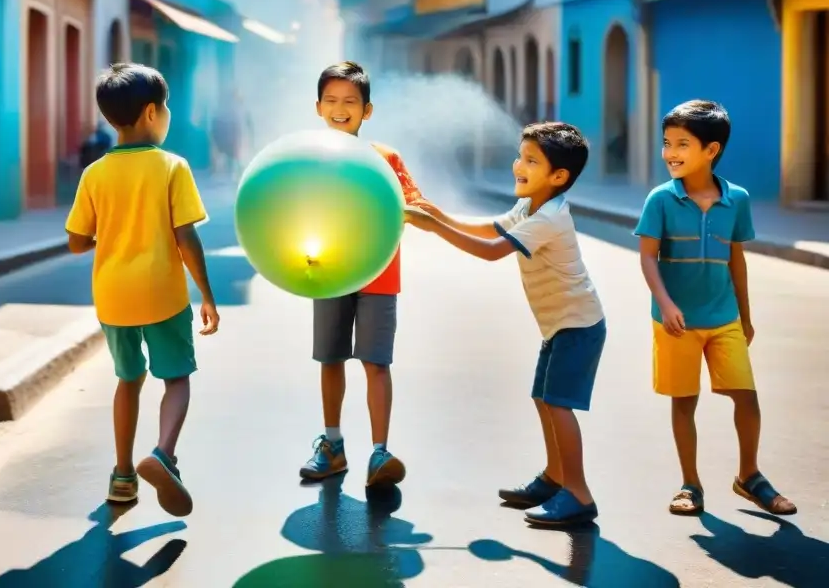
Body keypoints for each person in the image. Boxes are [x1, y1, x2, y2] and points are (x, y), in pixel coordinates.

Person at [405, 122, 605, 526]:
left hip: (578, 325)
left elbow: (493, 250)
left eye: (531, 160)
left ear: (559, 177)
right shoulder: (529, 206)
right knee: (543, 398)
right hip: (559, 324)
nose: (518, 164)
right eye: (521, 155)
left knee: (560, 405)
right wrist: (440, 214)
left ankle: (579, 493)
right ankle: (554, 477)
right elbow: (493, 228)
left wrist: (435, 228)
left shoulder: (549, 217)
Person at [66, 63, 219, 518]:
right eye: (167, 106)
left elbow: (76, 241)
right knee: (175, 378)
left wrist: (109, 237)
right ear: (152, 112)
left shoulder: (94, 173)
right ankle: (163, 456)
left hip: (113, 296)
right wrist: (206, 295)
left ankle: (121, 475)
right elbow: (185, 238)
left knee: (127, 380)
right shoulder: (172, 166)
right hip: (163, 294)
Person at [634, 100, 796, 517]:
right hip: (676, 323)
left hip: (724, 318)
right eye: (667, 143)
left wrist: (745, 315)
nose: (670, 152)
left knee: (747, 397)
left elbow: (736, 260)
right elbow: (648, 257)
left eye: (682, 144)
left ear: (712, 150)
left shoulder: (736, 199)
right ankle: (690, 484)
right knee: (683, 402)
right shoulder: (661, 200)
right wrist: (665, 305)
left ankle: (749, 477)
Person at [300, 61, 433, 489]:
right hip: (329, 274)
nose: (341, 109)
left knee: (376, 362)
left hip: (379, 275)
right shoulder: (309, 160)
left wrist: (399, 207)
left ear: (367, 110)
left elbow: (418, 206)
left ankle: (379, 452)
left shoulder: (385, 158)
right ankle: (333, 445)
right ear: (318, 106)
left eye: (351, 102)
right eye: (332, 101)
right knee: (330, 358)